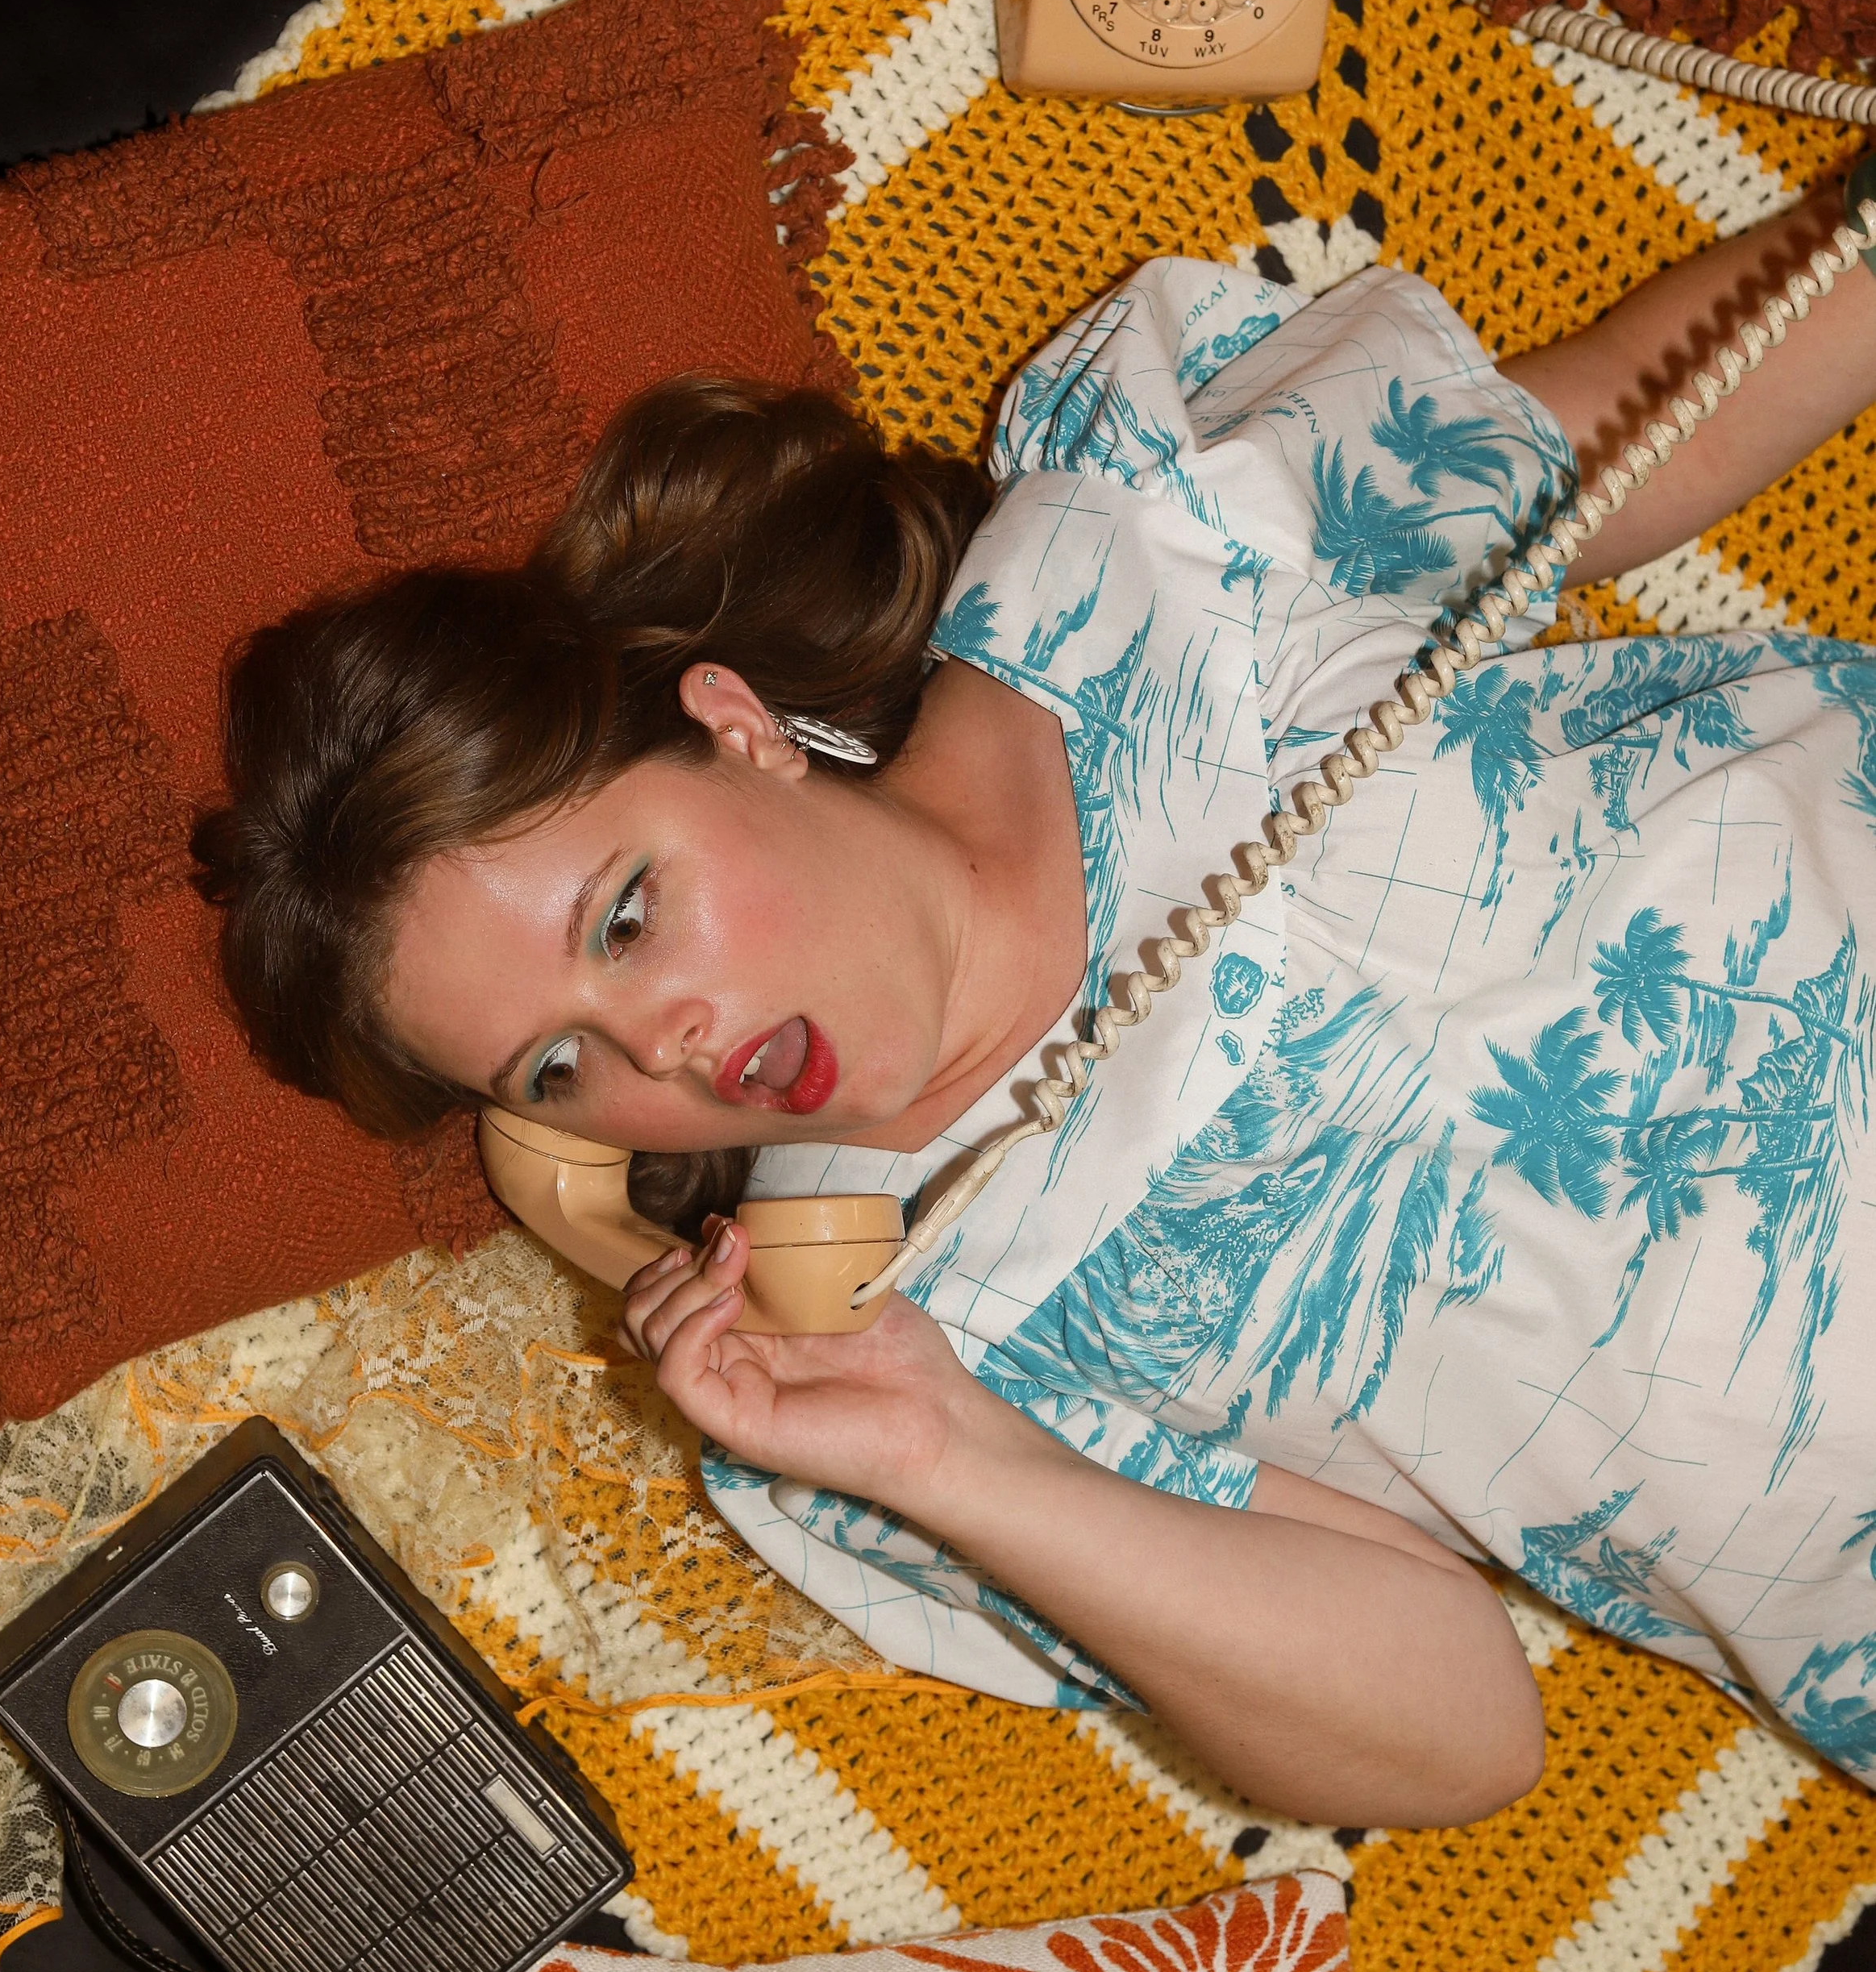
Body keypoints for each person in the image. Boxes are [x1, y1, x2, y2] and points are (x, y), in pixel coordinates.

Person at [193, 188, 1876, 1829]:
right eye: (558, 1066)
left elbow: (1640, 430)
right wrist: (952, 1456)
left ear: (737, 727)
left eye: (626, 915)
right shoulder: (882, 1348)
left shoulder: (1135, 542)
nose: (663, 1046)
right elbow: (1462, 1739)